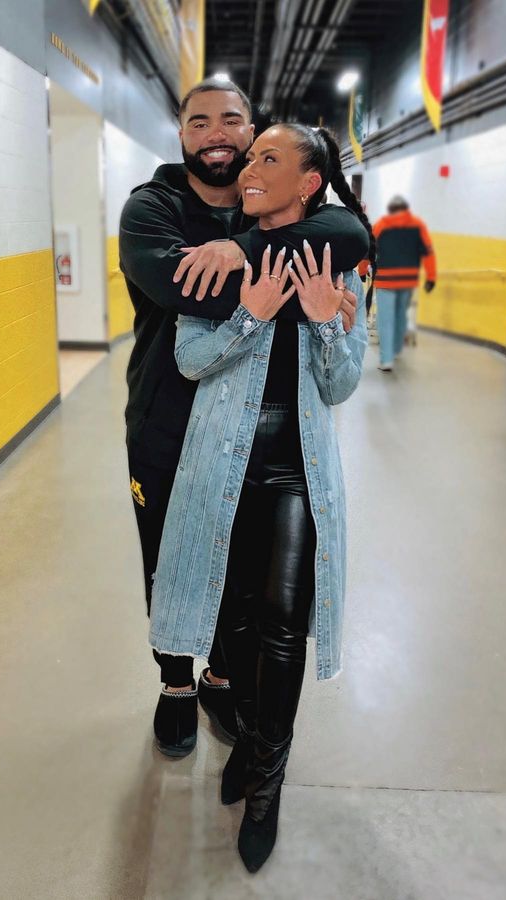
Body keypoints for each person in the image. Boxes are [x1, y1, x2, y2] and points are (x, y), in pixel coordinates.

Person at [149, 124, 375, 871]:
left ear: (310, 184)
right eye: (251, 157)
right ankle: (245, 743)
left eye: (269, 159)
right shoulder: (217, 259)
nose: (250, 167)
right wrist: (250, 314)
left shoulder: (338, 260)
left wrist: (323, 324)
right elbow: (189, 360)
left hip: (295, 470)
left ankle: (267, 788)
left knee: (283, 626)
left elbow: (340, 386)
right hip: (222, 460)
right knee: (235, 621)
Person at [119, 79, 365, 759]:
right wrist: (292, 285)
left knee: (236, 568)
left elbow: (349, 231)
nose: (217, 134)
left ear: (254, 135)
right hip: (166, 418)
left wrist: (246, 253)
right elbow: (176, 284)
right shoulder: (151, 208)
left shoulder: (262, 217)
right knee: (168, 560)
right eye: (200, 123)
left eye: (232, 122)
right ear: (183, 135)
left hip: (241, 432)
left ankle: (222, 676)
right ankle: (175, 683)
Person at [361, 194, 436, 372]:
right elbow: (428, 251)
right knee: (401, 315)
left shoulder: (381, 225)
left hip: (386, 280)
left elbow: (368, 250)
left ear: (391, 210)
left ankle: (386, 359)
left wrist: (362, 271)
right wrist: (431, 277)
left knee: (385, 319)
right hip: (408, 280)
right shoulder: (418, 225)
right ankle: (395, 350)